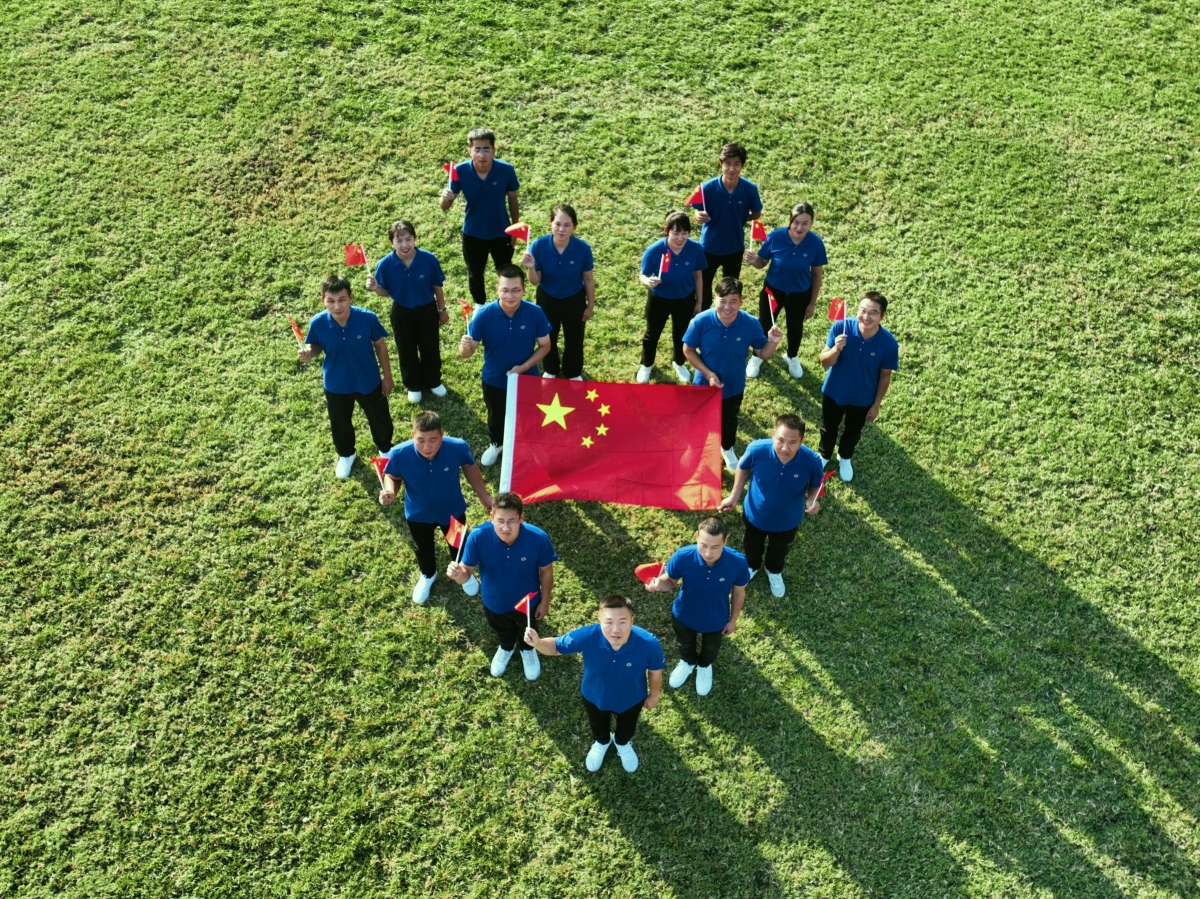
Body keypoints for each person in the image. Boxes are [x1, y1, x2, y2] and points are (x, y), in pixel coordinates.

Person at [524, 595, 663, 773]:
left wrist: (654, 695)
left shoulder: (649, 644)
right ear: (599, 621)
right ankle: (602, 741)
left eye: (622, 622)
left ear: (632, 620)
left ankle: (622, 742)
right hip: (594, 696)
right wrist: (538, 643)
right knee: (597, 724)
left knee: (628, 726)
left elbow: (655, 671)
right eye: (608, 622)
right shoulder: (588, 636)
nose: (615, 630)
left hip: (632, 698)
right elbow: (556, 647)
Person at [379, 411, 493, 604]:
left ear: (441, 434)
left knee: (458, 544)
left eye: (433, 440)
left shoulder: (457, 447)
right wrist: (390, 490)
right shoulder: (398, 453)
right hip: (417, 515)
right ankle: (428, 574)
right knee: (422, 547)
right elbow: (392, 476)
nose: (427, 447)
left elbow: (469, 466)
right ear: (413, 435)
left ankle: (463, 571)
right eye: (420, 440)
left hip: (452, 512)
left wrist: (484, 496)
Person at [446, 492, 558, 681]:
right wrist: (459, 575)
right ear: (491, 516)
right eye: (500, 521)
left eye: (511, 521)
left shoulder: (538, 538)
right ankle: (507, 646)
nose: (505, 528)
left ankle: (527, 649)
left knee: (528, 631)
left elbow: (546, 572)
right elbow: (466, 573)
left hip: (527, 603)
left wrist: (545, 602)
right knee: (502, 629)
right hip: (493, 602)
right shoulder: (478, 536)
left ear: (521, 518)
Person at [681, 277, 783, 471]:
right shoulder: (701, 321)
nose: (727, 307)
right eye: (723, 301)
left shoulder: (751, 324)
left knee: (729, 421)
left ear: (741, 301)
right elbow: (688, 350)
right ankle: (695, 448)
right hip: (703, 386)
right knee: (699, 420)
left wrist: (773, 342)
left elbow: (763, 353)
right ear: (714, 299)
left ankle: (727, 448)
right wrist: (708, 374)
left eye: (733, 301)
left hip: (733, 387)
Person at [718, 413, 824, 598]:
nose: (785, 448)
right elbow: (743, 467)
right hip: (754, 515)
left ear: (802, 440)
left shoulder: (811, 461)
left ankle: (773, 571)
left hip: (787, 522)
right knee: (751, 544)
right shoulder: (757, 449)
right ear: (773, 434)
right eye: (780, 440)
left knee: (779, 550)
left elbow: (817, 484)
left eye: (792, 442)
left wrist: (811, 499)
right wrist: (734, 496)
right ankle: (752, 565)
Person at [299, 275, 394, 478]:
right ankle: (346, 454)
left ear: (351, 297)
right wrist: (309, 353)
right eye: (331, 301)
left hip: (368, 380)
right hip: (336, 384)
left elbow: (380, 346)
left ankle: (385, 449)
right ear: (323, 301)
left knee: (380, 418)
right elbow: (315, 346)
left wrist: (387, 377)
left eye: (342, 299)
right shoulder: (317, 323)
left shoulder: (367, 318)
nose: (337, 306)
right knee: (340, 422)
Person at [644, 518, 749, 697]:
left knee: (711, 648)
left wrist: (733, 620)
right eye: (703, 545)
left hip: (716, 619)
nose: (708, 553)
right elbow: (670, 581)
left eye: (715, 547)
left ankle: (704, 666)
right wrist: (658, 584)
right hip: (684, 615)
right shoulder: (682, 556)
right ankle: (688, 662)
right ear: (696, 537)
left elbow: (739, 592)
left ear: (725, 541)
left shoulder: (738, 562)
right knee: (684, 643)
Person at [459, 266, 551, 467]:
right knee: (496, 416)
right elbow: (467, 354)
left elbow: (545, 346)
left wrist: (524, 367)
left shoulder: (535, 313)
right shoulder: (483, 315)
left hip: (528, 379)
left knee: (530, 415)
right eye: (505, 290)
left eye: (515, 290)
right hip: (494, 380)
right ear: (497, 289)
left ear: (523, 289)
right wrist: (464, 347)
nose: (510, 296)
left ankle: (532, 445)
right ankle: (497, 444)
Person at [818, 291, 899, 482]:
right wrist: (836, 349)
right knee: (828, 428)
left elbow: (885, 376)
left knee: (853, 432)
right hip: (834, 392)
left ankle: (845, 457)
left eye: (873, 312)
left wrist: (876, 404)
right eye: (862, 310)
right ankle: (824, 454)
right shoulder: (841, 327)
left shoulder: (889, 344)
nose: (866, 316)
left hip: (862, 399)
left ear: (882, 315)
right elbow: (824, 362)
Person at [366, 220, 449, 403]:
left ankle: (433, 380)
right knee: (406, 349)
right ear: (392, 243)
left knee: (430, 347)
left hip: (427, 309)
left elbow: (437, 286)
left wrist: (442, 309)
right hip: (401, 312)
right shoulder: (385, 264)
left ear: (414, 239)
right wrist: (376, 287)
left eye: (408, 239)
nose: (404, 245)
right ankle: (413, 385)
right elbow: (385, 292)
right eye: (399, 240)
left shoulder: (428, 259)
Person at [743, 202, 827, 380]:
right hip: (772, 292)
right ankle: (757, 356)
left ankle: (792, 356)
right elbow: (761, 263)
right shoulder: (775, 237)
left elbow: (816, 275)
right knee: (764, 324)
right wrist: (754, 260)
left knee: (795, 328)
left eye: (805, 223)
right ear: (790, 220)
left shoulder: (816, 244)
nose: (799, 227)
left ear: (811, 223)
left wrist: (812, 303)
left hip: (799, 294)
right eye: (796, 222)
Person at [439, 127, 521, 309]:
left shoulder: (506, 170)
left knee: (505, 272)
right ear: (469, 150)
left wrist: (515, 228)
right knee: (475, 273)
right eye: (477, 149)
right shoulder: (459, 171)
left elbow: (513, 199)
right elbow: (445, 206)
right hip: (473, 233)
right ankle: (480, 306)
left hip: (502, 232)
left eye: (486, 149)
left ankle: (507, 304)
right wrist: (445, 198)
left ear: (494, 150)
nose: (482, 154)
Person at [520, 204, 595, 381]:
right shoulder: (538, 246)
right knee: (547, 336)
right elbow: (535, 281)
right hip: (547, 299)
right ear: (550, 224)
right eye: (558, 224)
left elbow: (588, 279)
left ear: (574, 226)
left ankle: (573, 371)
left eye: (567, 225)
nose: (562, 229)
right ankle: (550, 369)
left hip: (574, 299)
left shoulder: (583, 248)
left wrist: (590, 305)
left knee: (575, 337)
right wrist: (530, 267)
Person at [635, 210, 706, 384]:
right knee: (652, 334)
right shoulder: (654, 250)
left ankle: (679, 362)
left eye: (685, 233)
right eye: (676, 233)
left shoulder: (696, 249)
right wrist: (648, 281)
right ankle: (647, 364)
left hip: (684, 299)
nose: (680, 238)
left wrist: (699, 301)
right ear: (666, 231)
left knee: (681, 334)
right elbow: (643, 275)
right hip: (659, 299)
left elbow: (698, 276)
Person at [690, 143, 762, 310]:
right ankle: (701, 315)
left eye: (736, 164)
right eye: (727, 163)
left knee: (730, 288)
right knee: (703, 286)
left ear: (742, 165)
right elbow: (697, 210)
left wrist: (741, 217)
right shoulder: (707, 187)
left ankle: (726, 314)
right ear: (720, 163)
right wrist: (697, 215)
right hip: (709, 247)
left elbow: (756, 213)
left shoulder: (750, 189)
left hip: (734, 248)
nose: (731, 168)